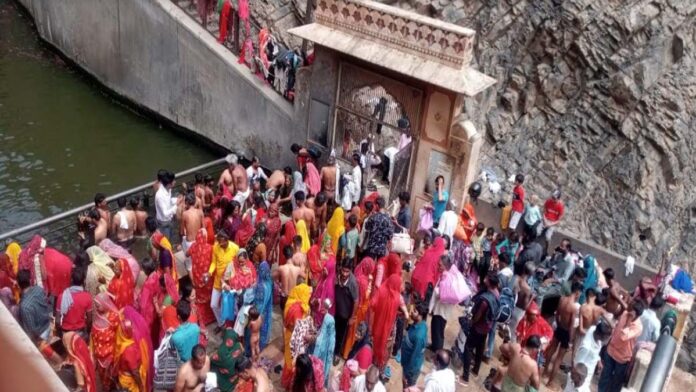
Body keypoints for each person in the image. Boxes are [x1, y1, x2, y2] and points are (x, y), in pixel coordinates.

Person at [461, 274, 500, 386]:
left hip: (478, 327)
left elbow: (478, 316)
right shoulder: (497, 294)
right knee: (479, 349)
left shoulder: (485, 300)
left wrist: (471, 322)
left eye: (486, 279)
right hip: (487, 327)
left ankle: (465, 377)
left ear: (489, 282)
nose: (484, 279)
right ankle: (475, 371)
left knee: (468, 348)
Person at [17, 270, 62, 366]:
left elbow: (31, 330)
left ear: (18, 284)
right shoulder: (39, 289)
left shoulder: (24, 306)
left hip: (40, 335)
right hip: (47, 325)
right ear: (30, 280)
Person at [598, 300, 644, 392]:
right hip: (611, 351)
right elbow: (616, 328)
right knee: (605, 376)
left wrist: (629, 320)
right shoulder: (624, 314)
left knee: (616, 382)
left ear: (637, 314)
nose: (629, 310)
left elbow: (623, 336)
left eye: (631, 310)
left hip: (622, 358)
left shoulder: (638, 327)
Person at [545, 281, 583, 387]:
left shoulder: (562, 299)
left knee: (551, 350)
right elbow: (571, 326)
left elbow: (557, 314)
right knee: (559, 358)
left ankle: (544, 373)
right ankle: (550, 382)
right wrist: (570, 340)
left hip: (559, 327)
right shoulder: (574, 308)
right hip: (566, 331)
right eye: (579, 293)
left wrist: (558, 324)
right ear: (577, 292)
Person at [282, 283, 313, 387]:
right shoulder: (297, 309)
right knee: (292, 361)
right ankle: (291, 383)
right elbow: (298, 328)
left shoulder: (291, 301)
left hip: (289, 333)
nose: (309, 297)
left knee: (289, 359)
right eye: (307, 294)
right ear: (302, 294)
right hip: (294, 338)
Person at [370, 274, 402, 370]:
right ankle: (380, 367)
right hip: (388, 330)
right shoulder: (397, 297)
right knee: (384, 347)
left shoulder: (381, 290)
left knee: (374, 343)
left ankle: (371, 362)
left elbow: (373, 304)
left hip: (377, 325)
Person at [208, 232, 239, 328]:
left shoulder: (235, 248)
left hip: (230, 283)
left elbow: (238, 265)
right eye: (219, 243)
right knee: (213, 305)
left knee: (232, 306)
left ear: (227, 240)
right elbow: (213, 263)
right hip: (218, 281)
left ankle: (232, 326)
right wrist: (209, 272)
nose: (220, 245)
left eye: (222, 243)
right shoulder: (215, 247)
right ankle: (221, 323)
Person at [91, 293, 120, 391]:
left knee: (110, 379)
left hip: (110, 357)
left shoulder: (114, 317)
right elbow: (93, 336)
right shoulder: (98, 316)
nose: (96, 307)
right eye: (95, 305)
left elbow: (119, 336)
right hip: (99, 356)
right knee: (102, 378)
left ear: (104, 303)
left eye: (98, 305)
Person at [187, 229, 216, 326]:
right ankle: (211, 317)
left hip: (197, 278)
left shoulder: (193, 247)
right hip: (207, 279)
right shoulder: (210, 248)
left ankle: (201, 318)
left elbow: (187, 254)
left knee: (199, 299)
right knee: (209, 297)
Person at [574, 321, 612, 392]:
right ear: (601, 336)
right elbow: (577, 366)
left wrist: (598, 360)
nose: (608, 339)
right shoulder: (586, 348)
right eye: (607, 337)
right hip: (582, 379)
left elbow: (596, 349)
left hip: (587, 377)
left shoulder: (593, 329)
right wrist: (580, 383)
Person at [429, 255, 457, 352]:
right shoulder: (446, 275)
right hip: (440, 309)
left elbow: (441, 294)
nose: (438, 267)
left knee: (438, 332)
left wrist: (437, 290)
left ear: (445, 266)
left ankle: (437, 352)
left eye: (440, 265)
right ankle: (434, 347)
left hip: (442, 311)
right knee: (434, 328)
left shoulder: (447, 278)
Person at [334, 258, 359, 363]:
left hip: (345, 315)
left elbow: (356, 301)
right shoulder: (337, 276)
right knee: (333, 331)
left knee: (341, 336)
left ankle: (336, 355)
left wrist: (352, 317)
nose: (344, 274)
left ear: (351, 271)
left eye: (347, 271)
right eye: (343, 270)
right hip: (335, 310)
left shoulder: (353, 283)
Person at [57, 267, 92, 339]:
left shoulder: (62, 296)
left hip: (66, 332)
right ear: (83, 281)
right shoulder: (87, 297)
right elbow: (89, 320)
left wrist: (60, 334)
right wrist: (88, 332)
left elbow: (57, 321)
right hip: (80, 333)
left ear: (71, 280)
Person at [401, 302, 429, 388]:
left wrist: (407, 375)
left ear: (420, 316)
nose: (412, 312)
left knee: (407, 388)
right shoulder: (421, 324)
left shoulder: (418, 337)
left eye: (415, 311)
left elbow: (415, 357)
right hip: (406, 363)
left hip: (411, 370)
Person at [211, 326, 246, 392]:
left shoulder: (221, 352)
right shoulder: (239, 345)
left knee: (213, 366)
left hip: (226, 380)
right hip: (235, 374)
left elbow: (212, 360)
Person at [314, 299, 336, 387]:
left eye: (324, 306)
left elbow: (324, 335)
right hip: (324, 347)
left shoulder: (328, 320)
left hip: (324, 349)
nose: (322, 308)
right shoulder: (327, 318)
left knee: (321, 367)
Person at [510, 262, 534, 342]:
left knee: (506, 330)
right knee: (512, 334)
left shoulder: (516, 278)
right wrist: (532, 298)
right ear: (531, 274)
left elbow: (509, 290)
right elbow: (525, 306)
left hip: (510, 307)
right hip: (518, 312)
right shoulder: (528, 289)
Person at [155, 170, 181, 240]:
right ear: (169, 184)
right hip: (164, 223)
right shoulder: (160, 196)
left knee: (171, 238)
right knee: (166, 242)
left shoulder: (168, 189)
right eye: (173, 181)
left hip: (169, 220)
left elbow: (168, 201)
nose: (175, 182)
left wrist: (176, 200)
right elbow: (165, 213)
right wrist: (176, 205)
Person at [254, 261, 273, 351]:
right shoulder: (269, 281)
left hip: (259, 312)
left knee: (256, 333)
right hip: (267, 310)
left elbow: (258, 303)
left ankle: (255, 350)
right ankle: (263, 344)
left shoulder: (260, 286)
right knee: (264, 328)